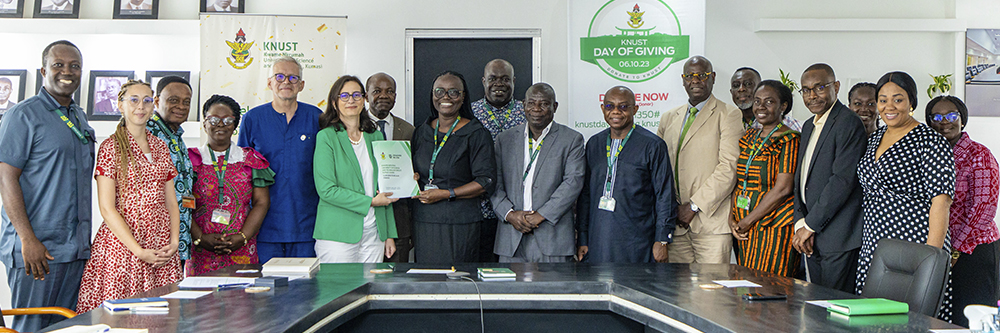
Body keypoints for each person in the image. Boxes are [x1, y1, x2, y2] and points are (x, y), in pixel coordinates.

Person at [0, 40, 94, 332]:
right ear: (43, 70)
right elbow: (5, 177)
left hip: (74, 249)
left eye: (74, 66)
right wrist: (27, 240)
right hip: (38, 251)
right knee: (32, 325)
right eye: (58, 65)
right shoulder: (22, 115)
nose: (67, 71)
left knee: (65, 327)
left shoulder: (78, 116)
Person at [855, 71, 955, 320]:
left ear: (911, 102)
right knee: (871, 318)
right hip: (875, 243)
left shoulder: (930, 141)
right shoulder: (875, 137)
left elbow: (941, 202)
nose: (889, 106)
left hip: (915, 241)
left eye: (897, 99)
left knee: (913, 318)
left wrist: (930, 260)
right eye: (882, 99)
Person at [76, 80, 182, 313]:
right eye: (133, 100)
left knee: (163, 318)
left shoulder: (160, 147)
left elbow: (171, 202)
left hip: (161, 248)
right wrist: (138, 251)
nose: (140, 107)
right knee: (122, 319)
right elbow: (106, 208)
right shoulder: (110, 147)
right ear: (120, 105)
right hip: (125, 247)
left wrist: (174, 242)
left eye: (146, 100)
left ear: (153, 106)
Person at [656, 56, 742, 264]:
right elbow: (658, 170)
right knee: (677, 292)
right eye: (690, 76)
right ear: (683, 80)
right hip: (675, 224)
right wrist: (671, 209)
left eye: (702, 75)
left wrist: (693, 206)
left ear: (712, 77)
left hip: (710, 224)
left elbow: (728, 168)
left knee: (711, 292)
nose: (695, 80)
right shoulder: (668, 118)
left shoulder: (729, 114)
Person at [790, 63, 867, 294]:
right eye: (805, 90)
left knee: (834, 309)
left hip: (837, 237)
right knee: (814, 305)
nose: (812, 95)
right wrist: (801, 223)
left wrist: (810, 225)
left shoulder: (848, 122)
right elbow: (801, 179)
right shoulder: (808, 125)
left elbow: (842, 181)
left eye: (819, 87)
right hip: (811, 234)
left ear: (836, 87)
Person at [238, 56, 322, 263]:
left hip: (306, 223)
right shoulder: (252, 119)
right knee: (267, 289)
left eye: (293, 77)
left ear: (301, 85)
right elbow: (241, 171)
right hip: (265, 224)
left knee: (304, 289)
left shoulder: (317, 117)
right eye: (280, 76)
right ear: (269, 82)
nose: (286, 82)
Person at [578, 86, 675, 263]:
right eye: (609, 106)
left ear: (635, 109)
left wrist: (662, 239)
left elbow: (665, 195)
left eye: (623, 107)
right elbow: (585, 195)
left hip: (638, 240)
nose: (615, 111)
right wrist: (583, 238)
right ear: (602, 109)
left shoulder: (652, 145)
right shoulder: (594, 144)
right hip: (598, 239)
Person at [926, 95, 999, 327]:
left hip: (972, 251)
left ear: (962, 120)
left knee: (971, 318)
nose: (944, 122)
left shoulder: (979, 155)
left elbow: (983, 210)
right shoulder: (929, 154)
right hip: (939, 250)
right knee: (942, 319)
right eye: (937, 117)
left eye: (952, 116)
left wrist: (955, 250)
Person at [491, 83, 585, 263]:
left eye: (543, 104)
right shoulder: (505, 139)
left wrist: (540, 216)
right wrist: (509, 214)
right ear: (523, 105)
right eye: (532, 103)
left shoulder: (572, 139)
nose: (536, 109)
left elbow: (573, 182)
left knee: (554, 291)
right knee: (509, 292)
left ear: (554, 107)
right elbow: (494, 182)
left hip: (552, 237)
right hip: (511, 238)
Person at [411, 71, 496, 264]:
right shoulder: (421, 131)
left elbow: (485, 181)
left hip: (460, 223)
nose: (446, 97)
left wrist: (446, 193)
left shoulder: (476, 133)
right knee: (427, 281)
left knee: (456, 282)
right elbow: (414, 169)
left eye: (453, 92)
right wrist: (412, 176)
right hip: (425, 221)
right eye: (439, 91)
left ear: (463, 96)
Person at [313, 76, 398, 263]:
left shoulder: (375, 136)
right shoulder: (326, 137)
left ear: (364, 99)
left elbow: (384, 187)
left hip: (375, 233)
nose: (351, 100)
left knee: (370, 289)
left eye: (356, 95)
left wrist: (388, 233)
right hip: (337, 233)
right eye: (344, 95)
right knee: (339, 291)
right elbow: (326, 190)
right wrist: (371, 202)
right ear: (334, 103)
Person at [187, 95, 273, 275]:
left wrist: (242, 238)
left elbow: (261, 203)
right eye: (213, 119)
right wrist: (200, 238)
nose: (220, 124)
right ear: (204, 123)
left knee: (242, 300)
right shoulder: (190, 160)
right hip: (200, 250)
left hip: (242, 249)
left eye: (227, 120)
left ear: (235, 126)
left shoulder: (251, 160)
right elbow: (183, 203)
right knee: (201, 301)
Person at [729, 80, 800, 277]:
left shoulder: (789, 139)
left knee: (771, 289)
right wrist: (732, 218)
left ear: (783, 106)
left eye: (769, 102)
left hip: (774, 225)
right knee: (748, 285)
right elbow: (739, 179)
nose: (761, 107)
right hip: (745, 225)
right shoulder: (749, 136)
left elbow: (783, 189)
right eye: (757, 101)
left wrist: (748, 220)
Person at [472, 59, 524, 262]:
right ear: (484, 81)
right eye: (493, 79)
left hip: (516, 211)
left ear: (514, 81)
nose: (499, 84)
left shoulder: (528, 111)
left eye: (505, 79)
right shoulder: (470, 113)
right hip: (479, 210)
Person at [366, 72, 415, 263]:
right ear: (366, 95)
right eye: (377, 91)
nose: (384, 96)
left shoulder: (409, 130)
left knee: (396, 283)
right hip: (365, 219)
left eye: (390, 91)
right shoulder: (354, 127)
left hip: (399, 221)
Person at [147, 76, 194, 268]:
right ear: (157, 101)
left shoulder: (176, 136)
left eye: (186, 102)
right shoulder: (146, 132)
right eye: (173, 100)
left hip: (179, 241)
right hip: (154, 245)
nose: (181, 106)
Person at [730, 67, 802, 131]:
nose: (741, 89)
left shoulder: (786, 123)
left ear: (760, 88)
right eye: (736, 85)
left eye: (748, 84)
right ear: (731, 92)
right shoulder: (729, 120)